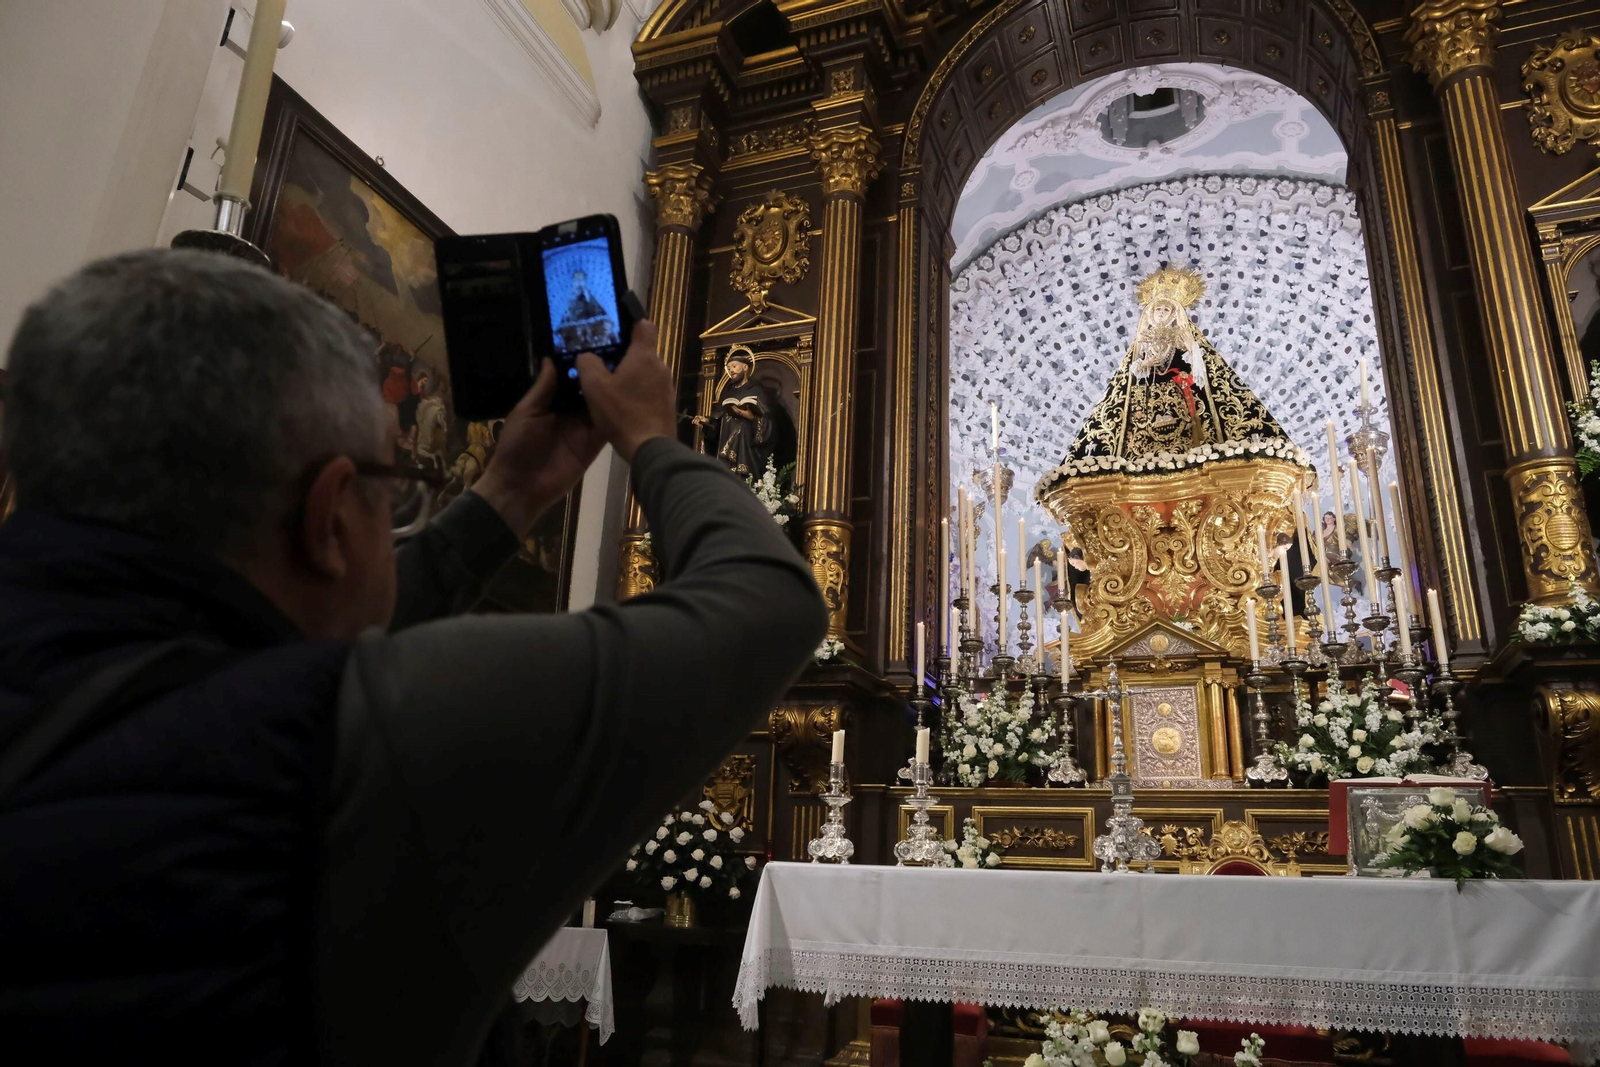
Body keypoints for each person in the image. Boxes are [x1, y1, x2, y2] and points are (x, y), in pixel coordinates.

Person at [0, 249, 827, 1064]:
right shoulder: (363, 749)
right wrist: (651, 436)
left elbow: (295, 638)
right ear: (329, 518)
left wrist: (504, 500)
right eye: (386, 488)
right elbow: (770, 602)